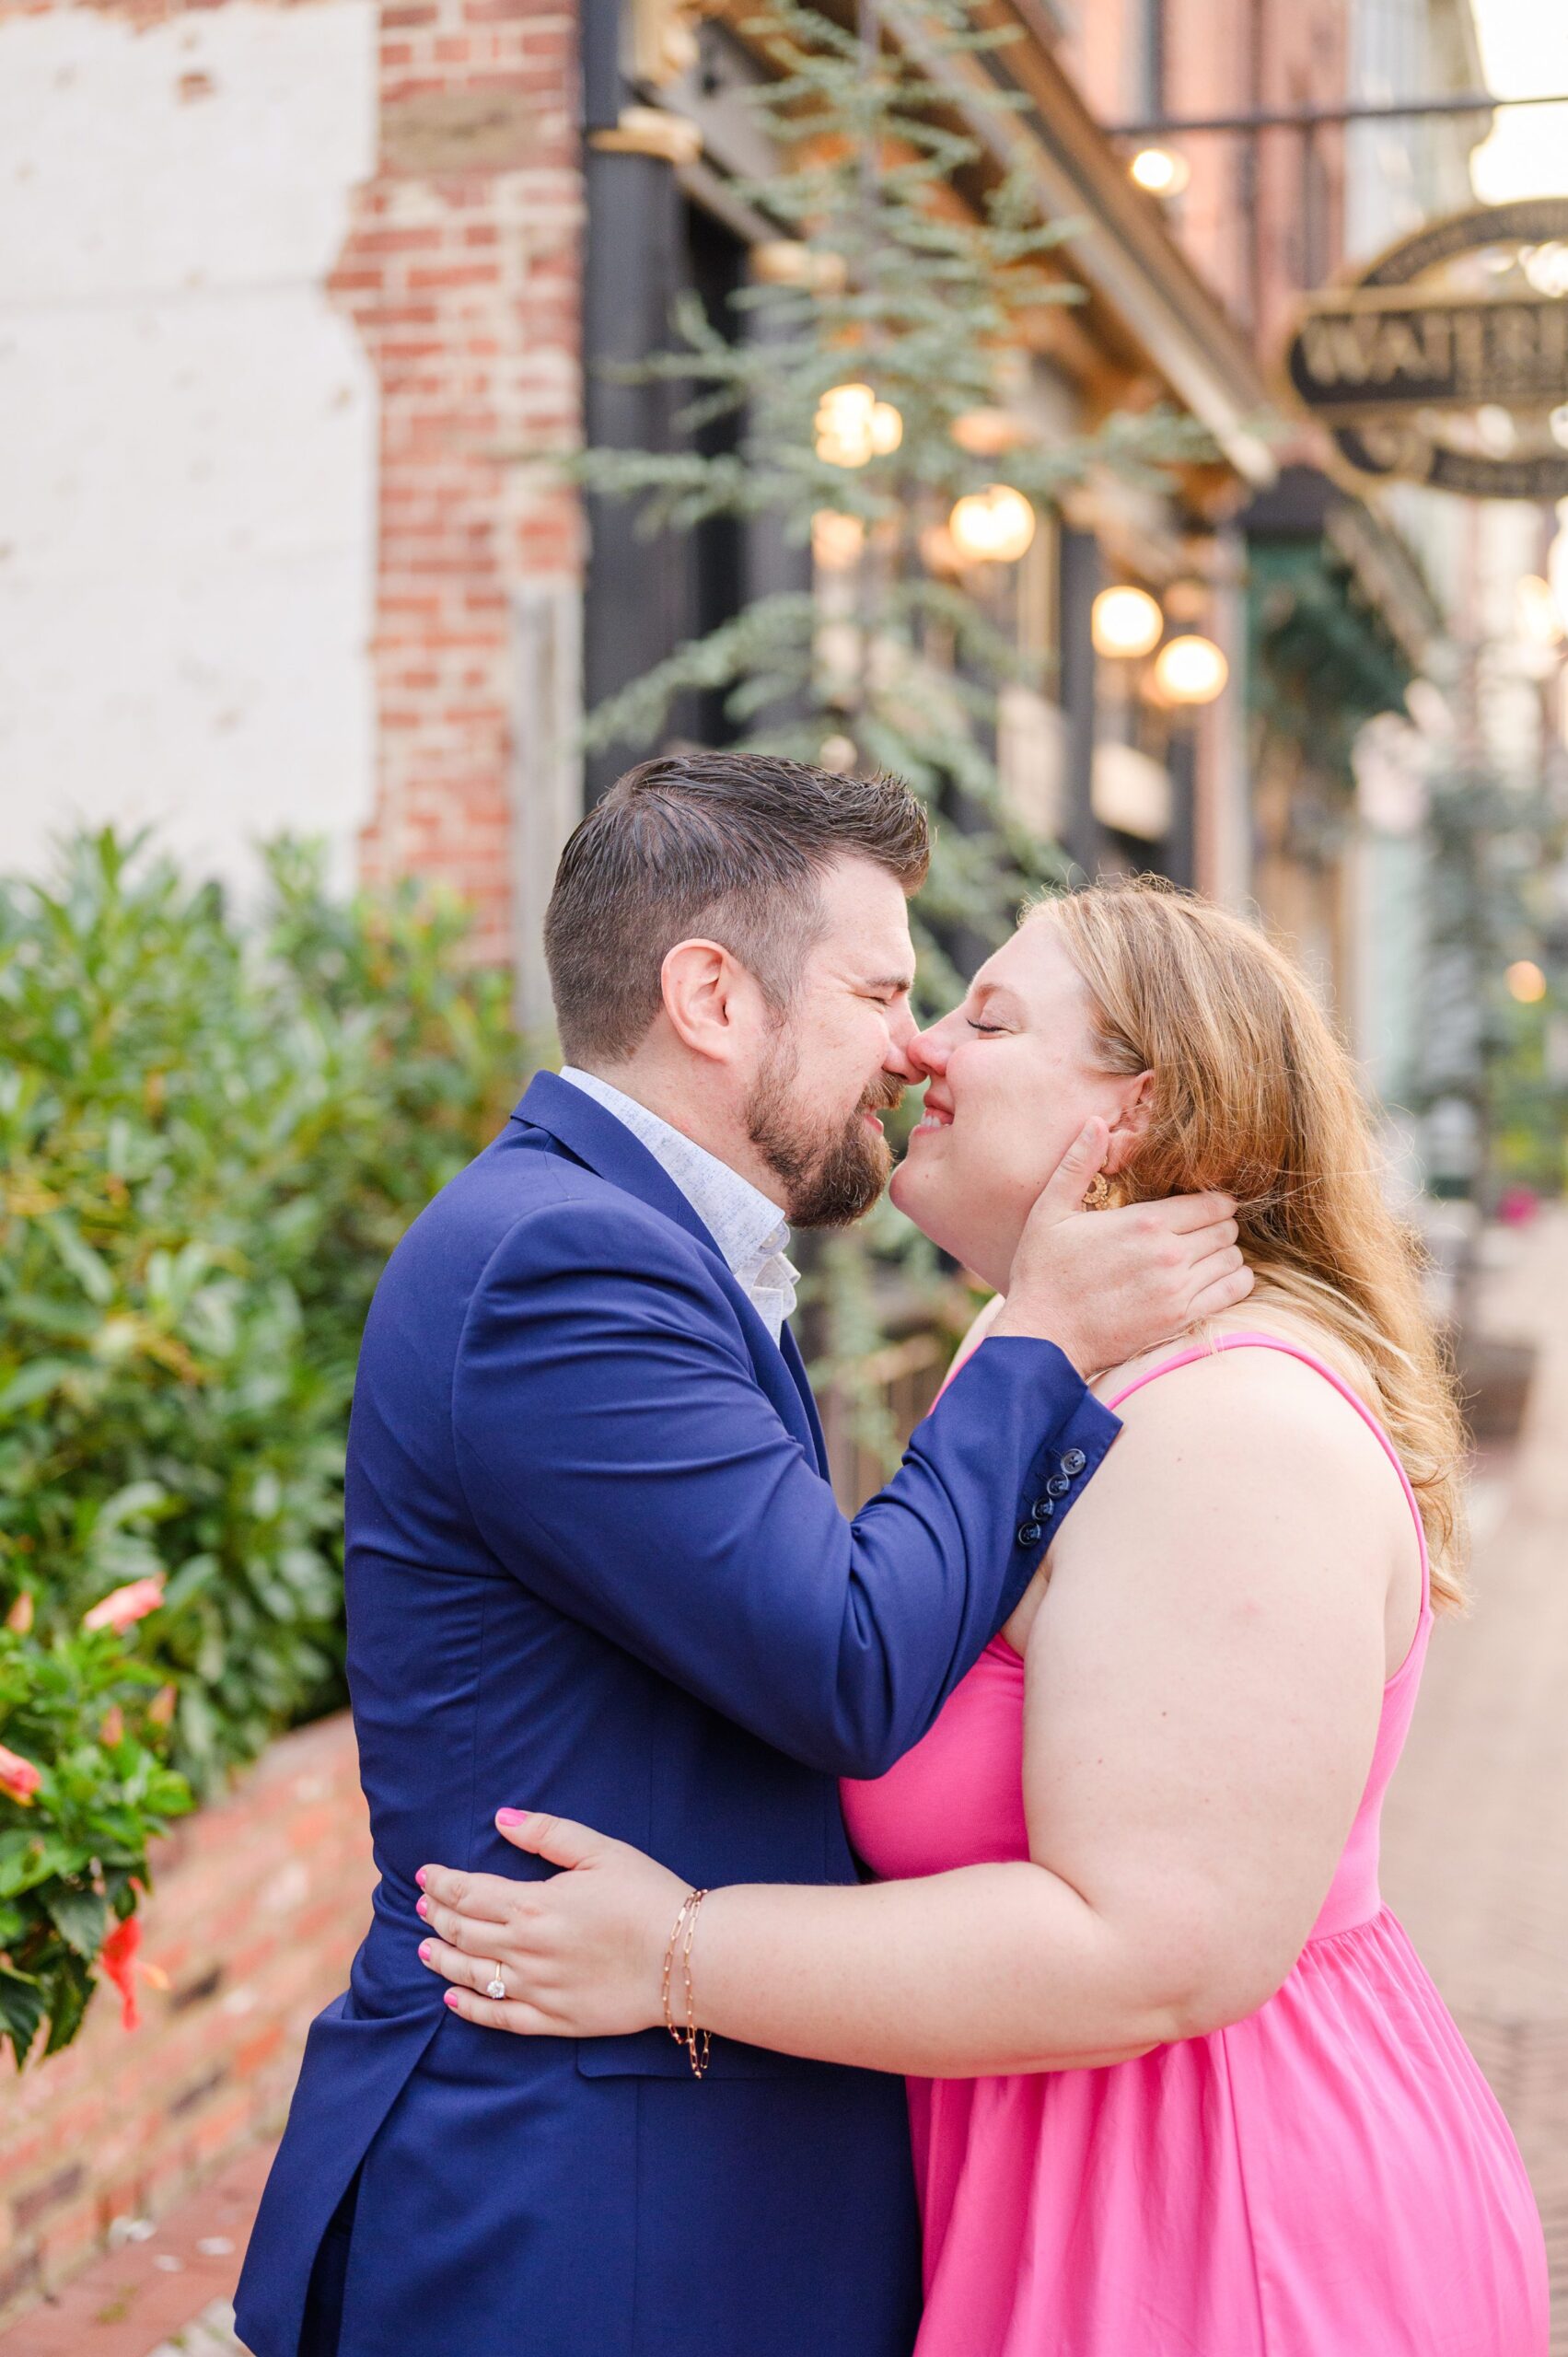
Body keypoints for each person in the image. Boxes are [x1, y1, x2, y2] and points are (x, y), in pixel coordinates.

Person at [419, 878, 1551, 2357]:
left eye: (987, 1016)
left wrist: (676, 1955)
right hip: (1073, 2189)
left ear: (1131, 1116)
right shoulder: (1055, 1366)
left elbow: (1156, 1950)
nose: (922, 1053)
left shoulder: (1224, 1431)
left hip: (1219, 2224)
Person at [234, 761, 1250, 2357]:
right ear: (711, 995)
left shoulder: (633, 1240)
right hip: (586, 2210)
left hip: (658, 2170)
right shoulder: (565, 1263)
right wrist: (1037, 1333)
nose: (912, 1050)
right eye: (878, 990)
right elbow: (846, 1665)